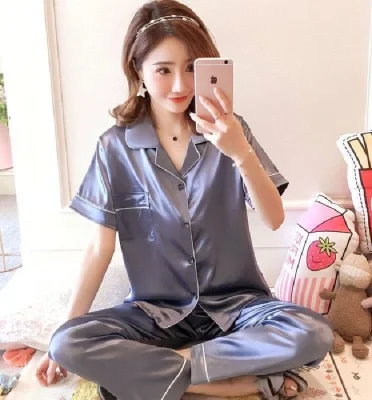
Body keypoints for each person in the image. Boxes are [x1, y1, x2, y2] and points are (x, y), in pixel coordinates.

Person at [35, 1, 333, 399]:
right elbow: (98, 249)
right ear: (138, 71)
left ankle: (166, 374)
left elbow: (275, 218)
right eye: (163, 70)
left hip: (238, 308)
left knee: (313, 332)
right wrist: (59, 339)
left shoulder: (232, 132)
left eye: (192, 68)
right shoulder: (114, 147)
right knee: (68, 342)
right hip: (154, 314)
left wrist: (240, 153)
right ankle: (233, 385)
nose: (180, 85)